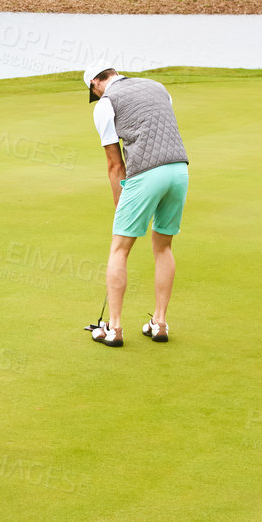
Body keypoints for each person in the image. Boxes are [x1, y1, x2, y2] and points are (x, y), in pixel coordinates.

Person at [83, 61, 190, 347]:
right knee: (164, 246)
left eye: (93, 90)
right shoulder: (158, 87)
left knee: (119, 248)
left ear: (96, 83)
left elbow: (114, 164)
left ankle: (114, 328)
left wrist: (120, 202)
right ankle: (159, 322)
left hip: (146, 174)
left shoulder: (105, 104)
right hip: (180, 170)